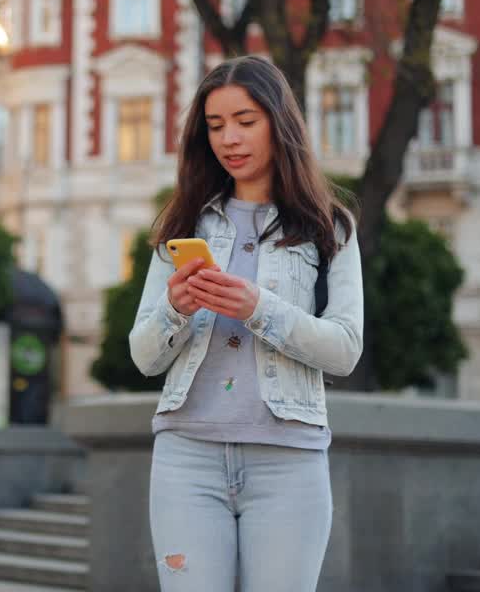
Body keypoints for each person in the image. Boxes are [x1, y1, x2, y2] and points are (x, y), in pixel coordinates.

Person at [129, 55, 364, 591]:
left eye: (245, 121)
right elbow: (144, 356)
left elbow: (346, 349)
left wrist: (258, 308)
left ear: (279, 124)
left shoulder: (330, 228)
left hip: (288, 461)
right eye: (215, 126)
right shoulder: (182, 225)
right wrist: (178, 309)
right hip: (186, 458)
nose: (229, 138)